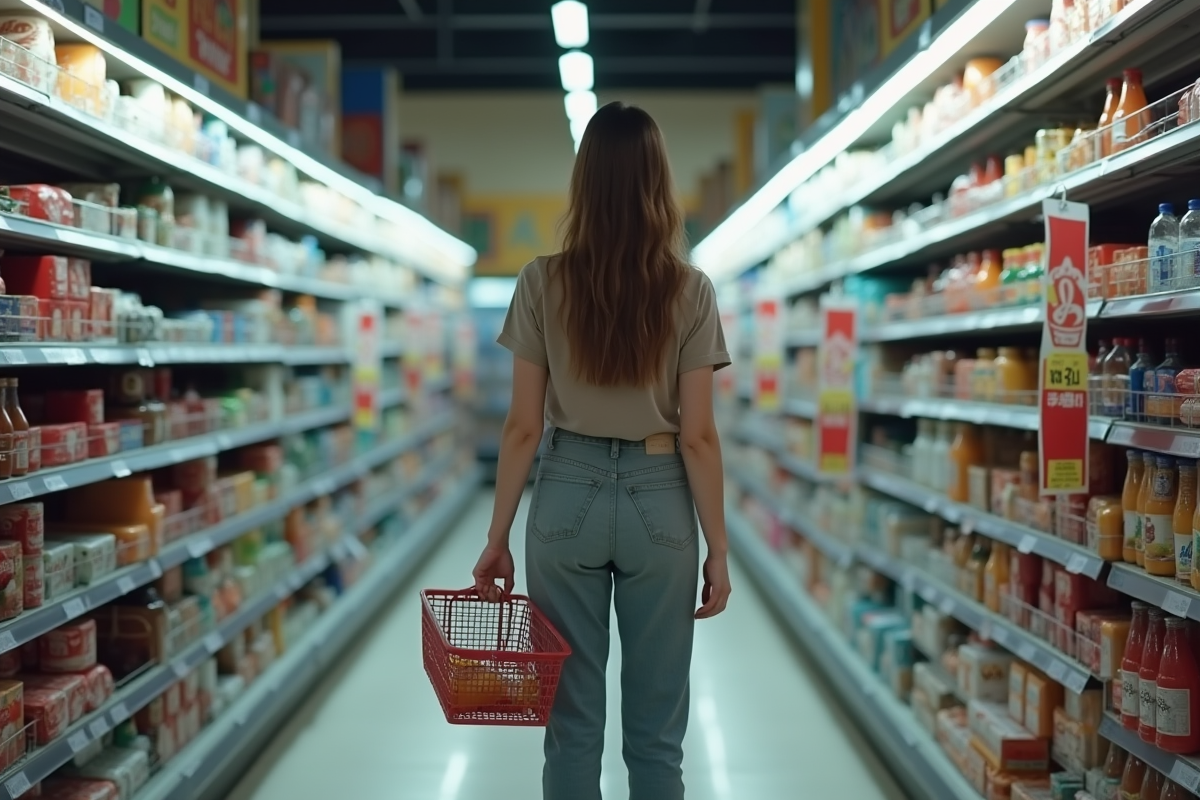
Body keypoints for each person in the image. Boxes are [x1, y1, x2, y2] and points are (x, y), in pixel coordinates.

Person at [471, 101, 732, 800]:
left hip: (566, 493)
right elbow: (699, 435)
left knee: (571, 726)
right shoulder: (692, 290)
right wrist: (718, 549)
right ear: (659, 182)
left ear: (583, 182)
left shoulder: (540, 281)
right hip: (661, 496)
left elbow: (522, 426)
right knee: (656, 736)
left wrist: (497, 537)